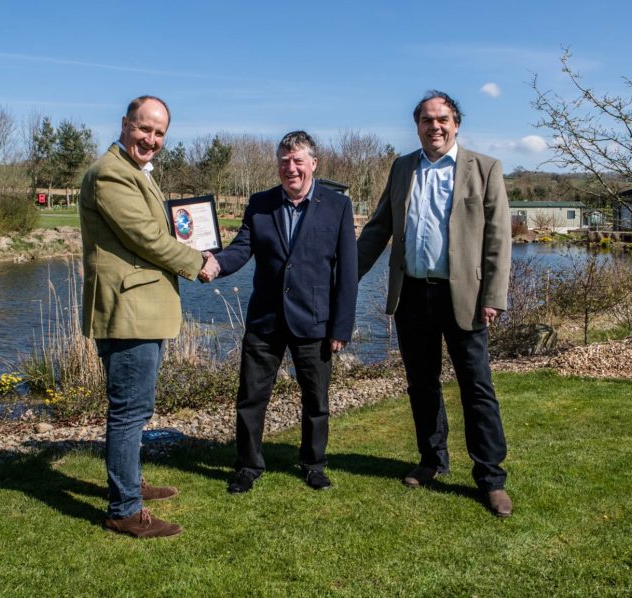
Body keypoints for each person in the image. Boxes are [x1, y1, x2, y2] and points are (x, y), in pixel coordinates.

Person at [355, 91, 514, 517]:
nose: (434, 127)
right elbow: (379, 228)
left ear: (456, 123)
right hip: (412, 293)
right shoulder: (403, 167)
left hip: (463, 296)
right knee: (422, 385)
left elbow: (499, 239)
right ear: (418, 126)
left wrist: (494, 296)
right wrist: (344, 275)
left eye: (442, 119)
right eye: (426, 120)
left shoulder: (484, 169)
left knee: (476, 387)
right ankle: (432, 460)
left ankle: (491, 478)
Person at [80, 95, 219, 538]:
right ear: (125, 124)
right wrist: (197, 262)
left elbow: (160, 232)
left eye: (159, 134)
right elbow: (145, 237)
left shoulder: (135, 173)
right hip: (129, 312)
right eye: (144, 129)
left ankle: (131, 483)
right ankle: (124, 508)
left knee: (137, 410)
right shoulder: (110, 174)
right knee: (127, 412)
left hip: (144, 310)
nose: (151, 139)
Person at [202, 130, 357, 494]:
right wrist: (215, 265)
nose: (291, 168)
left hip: (314, 320)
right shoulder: (260, 204)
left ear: (313, 164)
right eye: (284, 161)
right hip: (265, 320)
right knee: (251, 398)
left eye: (298, 160)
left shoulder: (337, 206)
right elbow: (241, 249)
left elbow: (347, 272)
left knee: (316, 399)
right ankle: (248, 465)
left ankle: (314, 463)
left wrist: (341, 326)